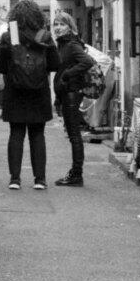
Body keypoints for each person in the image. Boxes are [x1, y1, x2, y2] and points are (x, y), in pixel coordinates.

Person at [0, 0, 60, 190]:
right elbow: (55, 65)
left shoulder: (10, 36)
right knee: (37, 134)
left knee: (16, 133)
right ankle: (40, 179)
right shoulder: (44, 36)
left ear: (14, 17)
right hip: (39, 92)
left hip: (15, 92)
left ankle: (15, 179)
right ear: (37, 17)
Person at [51, 11, 95, 187]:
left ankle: (77, 174)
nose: (58, 28)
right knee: (72, 134)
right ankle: (76, 173)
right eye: (56, 24)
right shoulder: (63, 44)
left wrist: (68, 75)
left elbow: (87, 62)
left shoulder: (71, 44)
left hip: (72, 92)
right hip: (67, 92)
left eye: (62, 24)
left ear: (70, 27)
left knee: (74, 135)